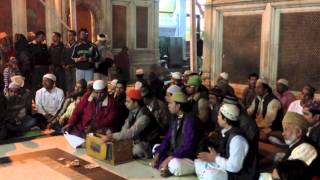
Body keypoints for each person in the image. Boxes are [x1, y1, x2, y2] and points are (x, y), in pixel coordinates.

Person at [195, 104, 257, 180]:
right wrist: (214, 155)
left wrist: (215, 158)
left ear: (225, 119)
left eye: (219, 115)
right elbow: (225, 155)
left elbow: (234, 167)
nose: (217, 117)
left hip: (237, 175)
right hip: (226, 169)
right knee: (198, 162)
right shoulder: (226, 132)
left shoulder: (237, 140)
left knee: (210, 175)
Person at [101, 89, 160, 159]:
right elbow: (125, 127)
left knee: (136, 150)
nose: (125, 103)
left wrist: (112, 136)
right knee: (119, 144)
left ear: (136, 103)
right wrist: (117, 138)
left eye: (128, 102)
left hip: (148, 143)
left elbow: (131, 132)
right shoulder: (132, 111)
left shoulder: (145, 117)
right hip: (136, 140)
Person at [260, 112, 319, 180]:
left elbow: (288, 176)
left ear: (298, 132)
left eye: (286, 129)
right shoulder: (298, 144)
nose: (283, 133)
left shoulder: (306, 148)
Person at [152, 92, 198, 177]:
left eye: (170, 103)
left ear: (178, 106)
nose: (168, 105)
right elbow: (166, 139)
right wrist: (158, 155)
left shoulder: (190, 121)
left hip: (189, 157)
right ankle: (168, 167)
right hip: (176, 153)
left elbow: (188, 147)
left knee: (175, 164)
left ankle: (171, 169)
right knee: (156, 148)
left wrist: (169, 158)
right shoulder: (176, 118)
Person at [64, 30, 77, 95]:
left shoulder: (77, 45)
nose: (69, 36)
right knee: (68, 83)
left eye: (70, 35)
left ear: (74, 36)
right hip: (66, 67)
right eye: (68, 35)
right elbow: (62, 55)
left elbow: (77, 56)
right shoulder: (66, 45)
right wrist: (63, 64)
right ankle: (69, 96)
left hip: (74, 67)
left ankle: (74, 95)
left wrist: (72, 64)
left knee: (75, 83)